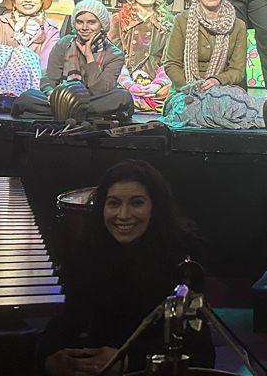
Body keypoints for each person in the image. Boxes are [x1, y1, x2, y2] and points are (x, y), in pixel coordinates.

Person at [39, 159, 214, 375]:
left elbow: (199, 351)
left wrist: (129, 361)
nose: (123, 215)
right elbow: (71, 316)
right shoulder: (89, 249)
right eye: (113, 203)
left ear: (155, 207)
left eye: (136, 203)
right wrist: (50, 357)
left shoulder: (185, 251)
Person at [162, 0, 265, 130]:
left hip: (222, 90)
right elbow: (171, 64)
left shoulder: (238, 25)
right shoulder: (182, 21)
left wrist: (217, 80)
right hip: (185, 91)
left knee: (223, 106)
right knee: (194, 110)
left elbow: (237, 70)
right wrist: (189, 87)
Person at [12, 0, 134, 121]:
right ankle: (77, 112)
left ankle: (64, 112)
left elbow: (100, 90)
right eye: (79, 22)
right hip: (62, 99)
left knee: (123, 97)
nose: (84, 28)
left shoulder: (114, 54)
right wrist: (52, 95)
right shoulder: (65, 43)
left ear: (102, 25)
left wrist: (89, 57)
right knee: (26, 98)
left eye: (91, 22)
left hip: (93, 99)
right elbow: (49, 79)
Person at [110, 0, 177, 113]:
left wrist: (156, 85)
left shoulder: (169, 23)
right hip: (123, 82)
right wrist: (129, 84)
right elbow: (112, 57)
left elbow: (170, 61)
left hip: (158, 87)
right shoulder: (118, 20)